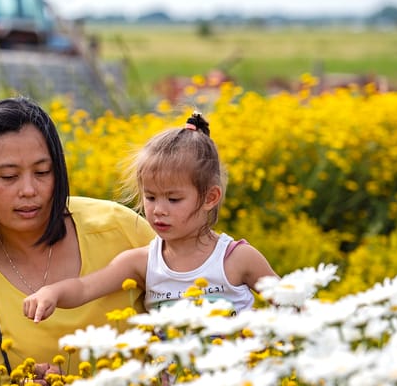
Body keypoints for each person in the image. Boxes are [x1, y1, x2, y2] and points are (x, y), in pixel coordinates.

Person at [0, 97, 156, 383]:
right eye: (9, 176)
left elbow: (191, 302)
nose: (29, 190)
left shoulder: (118, 227)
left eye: (42, 172)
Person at [23, 112, 278, 323]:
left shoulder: (237, 259)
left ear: (210, 198)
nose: (158, 210)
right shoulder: (143, 262)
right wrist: (52, 292)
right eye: (151, 197)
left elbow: (292, 304)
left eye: (173, 199)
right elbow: (85, 288)